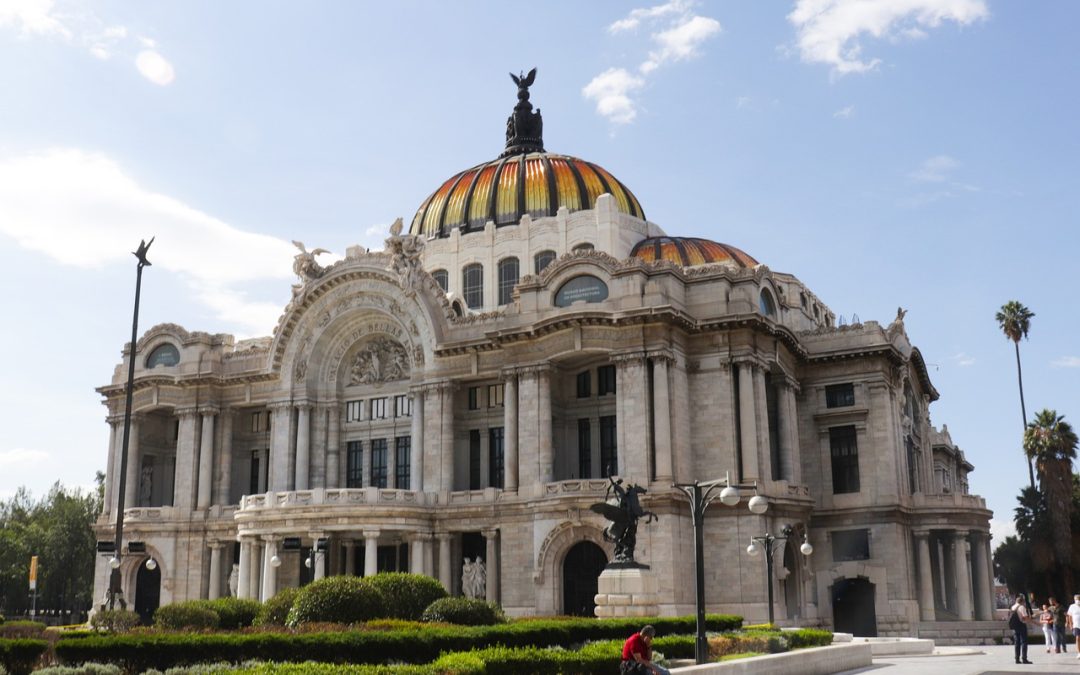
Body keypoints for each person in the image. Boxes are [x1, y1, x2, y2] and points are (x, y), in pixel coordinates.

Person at [1010, 594, 1032, 664]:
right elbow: (1025, 617)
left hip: (1015, 626)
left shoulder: (1013, 607)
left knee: (1017, 642)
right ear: (1022, 601)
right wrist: (1032, 620)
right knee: (1024, 642)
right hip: (1021, 625)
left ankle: (1017, 658)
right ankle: (1024, 658)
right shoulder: (1021, 607)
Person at [1066, 594, 1080, 658]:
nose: (1078, 600)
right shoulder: (1072, 606)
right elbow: (1070, 616)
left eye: (1079, 599)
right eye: (1076, 599)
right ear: (1074, 600)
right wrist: (1070, 624)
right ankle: (1079, 652)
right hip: (1076, 625)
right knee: (1077, 638)